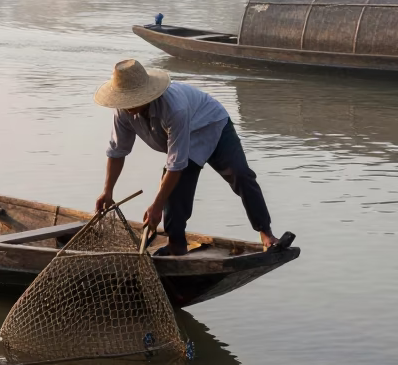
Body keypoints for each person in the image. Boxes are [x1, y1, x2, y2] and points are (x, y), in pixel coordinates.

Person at [93, 59, 295, 256]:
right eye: (126, 100)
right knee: (175, 192)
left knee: (241, 174)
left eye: (134, 99)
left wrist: (156, 206)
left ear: (146, 94)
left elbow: (176, 165)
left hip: (212, 125)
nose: (129, 106)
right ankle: (176, 244)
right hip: (185, 139)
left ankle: (266, 233)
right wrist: (107, 191)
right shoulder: (123, 113)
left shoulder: (174, 108)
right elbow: (117, 151)